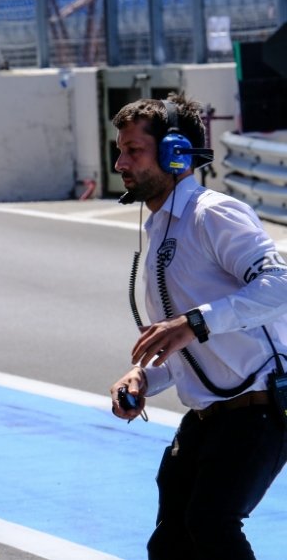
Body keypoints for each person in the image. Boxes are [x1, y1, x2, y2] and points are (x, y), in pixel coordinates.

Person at [108, 93, 287, 560]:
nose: (120, 163)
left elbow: (280, 285)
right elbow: (186, 343)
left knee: (211, 525)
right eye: (120, 150)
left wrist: (194, 322)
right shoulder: (161, 228)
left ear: (176, 154)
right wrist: (143, 377)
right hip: (208, 415)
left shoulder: (213, 213)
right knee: (170, 541)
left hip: (258, 411)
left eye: (133, 150)